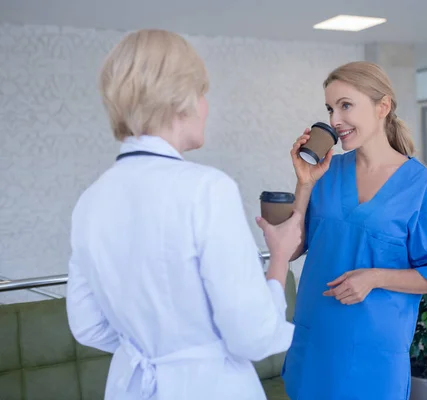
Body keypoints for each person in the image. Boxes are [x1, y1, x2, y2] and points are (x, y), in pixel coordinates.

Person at [66, 29, 300, 400]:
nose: (206, 106)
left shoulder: (90, 202)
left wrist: (160, 348)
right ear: (181, 98)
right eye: (202, 93)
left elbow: (88, 326)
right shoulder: (206, 189)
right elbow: (252, 335)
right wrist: (280, 260)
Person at [282, 61, 427, 400]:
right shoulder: (327, 173)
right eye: (330, 108)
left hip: (374, 353)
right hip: (316, 338)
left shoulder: (420, 186)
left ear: (382, 107)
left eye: (346, 105)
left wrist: (375, 278)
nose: (335, 120)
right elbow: (291, 249)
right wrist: (304, 184)